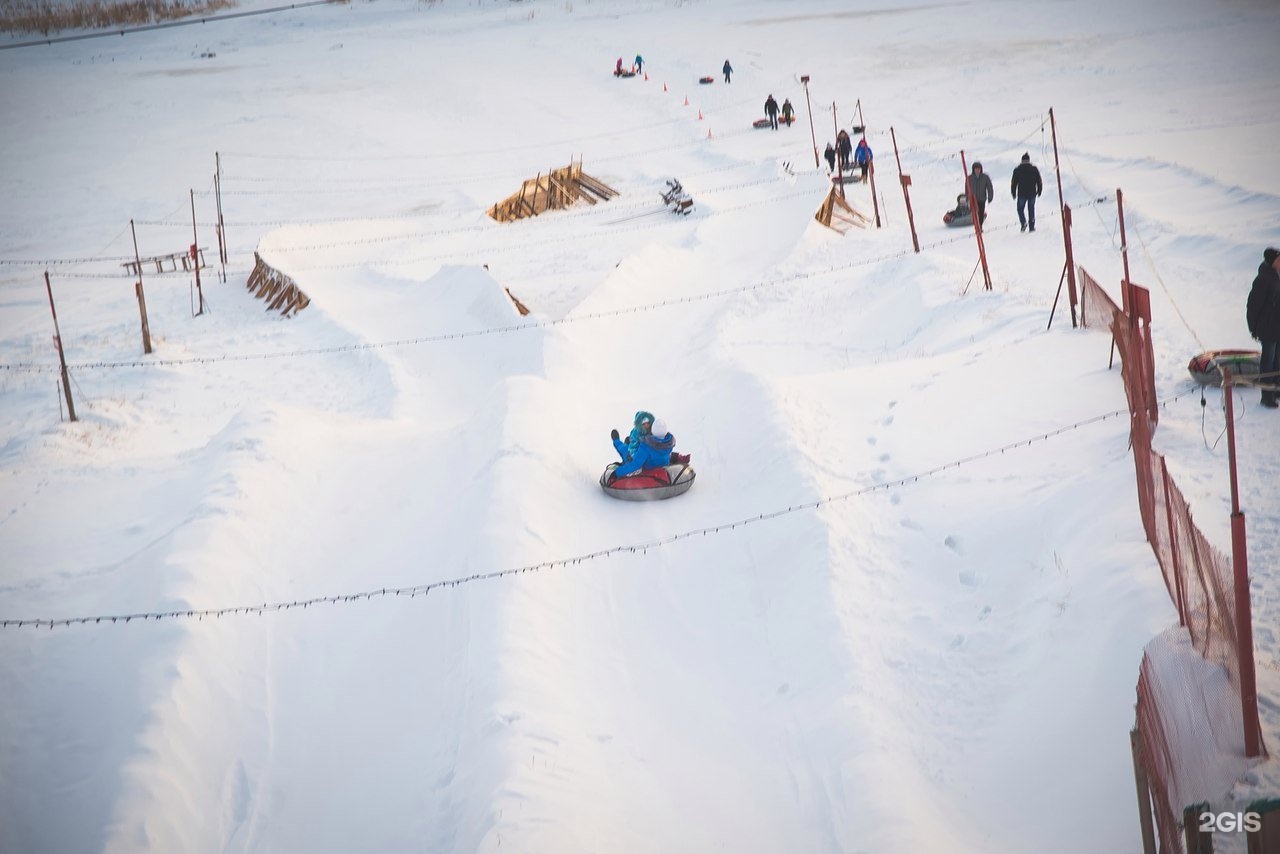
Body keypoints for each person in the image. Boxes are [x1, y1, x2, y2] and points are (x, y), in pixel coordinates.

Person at [1247, 247, 1280, 408]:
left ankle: (1276, 390)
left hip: (1277, 328)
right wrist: (1253, 328)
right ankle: (1266, 395)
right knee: (1268, 362)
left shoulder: (1277, 277)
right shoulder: (1263, 280)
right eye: (1278, 260)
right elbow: (1253, 306)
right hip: (1268, 330)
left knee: (1277, 361)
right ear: (1272, 261)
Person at [609, 413, 682, 479]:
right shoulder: (668, 444)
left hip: (644, 465)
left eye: (648, 423)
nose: (646, 425)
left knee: (624, 450)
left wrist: (616, 473)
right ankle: (625, 442)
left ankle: (616, 440)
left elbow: (635, 465)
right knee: (628, 447)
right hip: (636, 449)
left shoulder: (646, 446)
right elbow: (663, 455)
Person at [1010, 152, 1043, 232]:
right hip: (1032, 193)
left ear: (1022, 161)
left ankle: (1023, 222)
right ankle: (1031, 227)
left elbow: (1014, 182)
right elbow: (1039, 181)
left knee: (1020, 209)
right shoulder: (1034, 169)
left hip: (1022, 193)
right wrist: (1039, 190)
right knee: (1031, 209)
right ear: (1029, 160)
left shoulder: (1017, 170)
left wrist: (1013, 193)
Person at [967, 161, 994, 226]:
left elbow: (989, 187)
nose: (977, 170)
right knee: (974, 213)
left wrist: (990, 196)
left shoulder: (985, 177)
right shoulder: (969, 178)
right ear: (973, 169)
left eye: (978, 168)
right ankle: (976, 225)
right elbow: (967, 188)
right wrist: (967, 198)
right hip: (973, 199)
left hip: (982, 198)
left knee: (981, 213)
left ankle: (980, 226)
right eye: (976, 169)